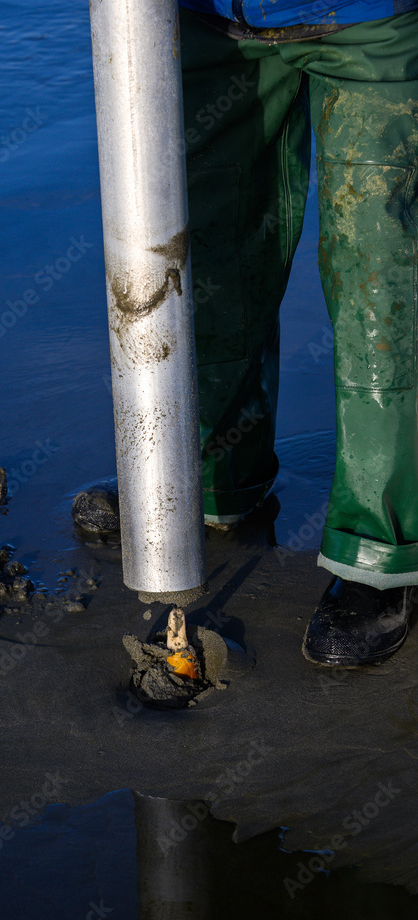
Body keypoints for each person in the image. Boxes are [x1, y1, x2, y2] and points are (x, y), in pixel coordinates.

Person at [77, 0, 418, 668]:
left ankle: (383, 552)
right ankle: (207, 476)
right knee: (202, 254)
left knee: (381, 275)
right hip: (196, 20)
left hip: (372, 14)